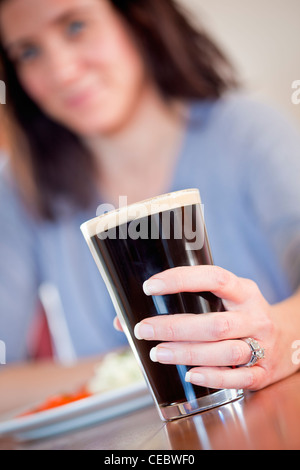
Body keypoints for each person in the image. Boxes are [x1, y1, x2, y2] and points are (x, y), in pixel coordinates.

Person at [0, 0, 300, 392]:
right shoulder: (21, 187)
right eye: (29, 51)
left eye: (75, 26)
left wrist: (280, 336)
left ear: (137, 18)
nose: (61, 71)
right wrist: (134, 366)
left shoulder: (247, 133)